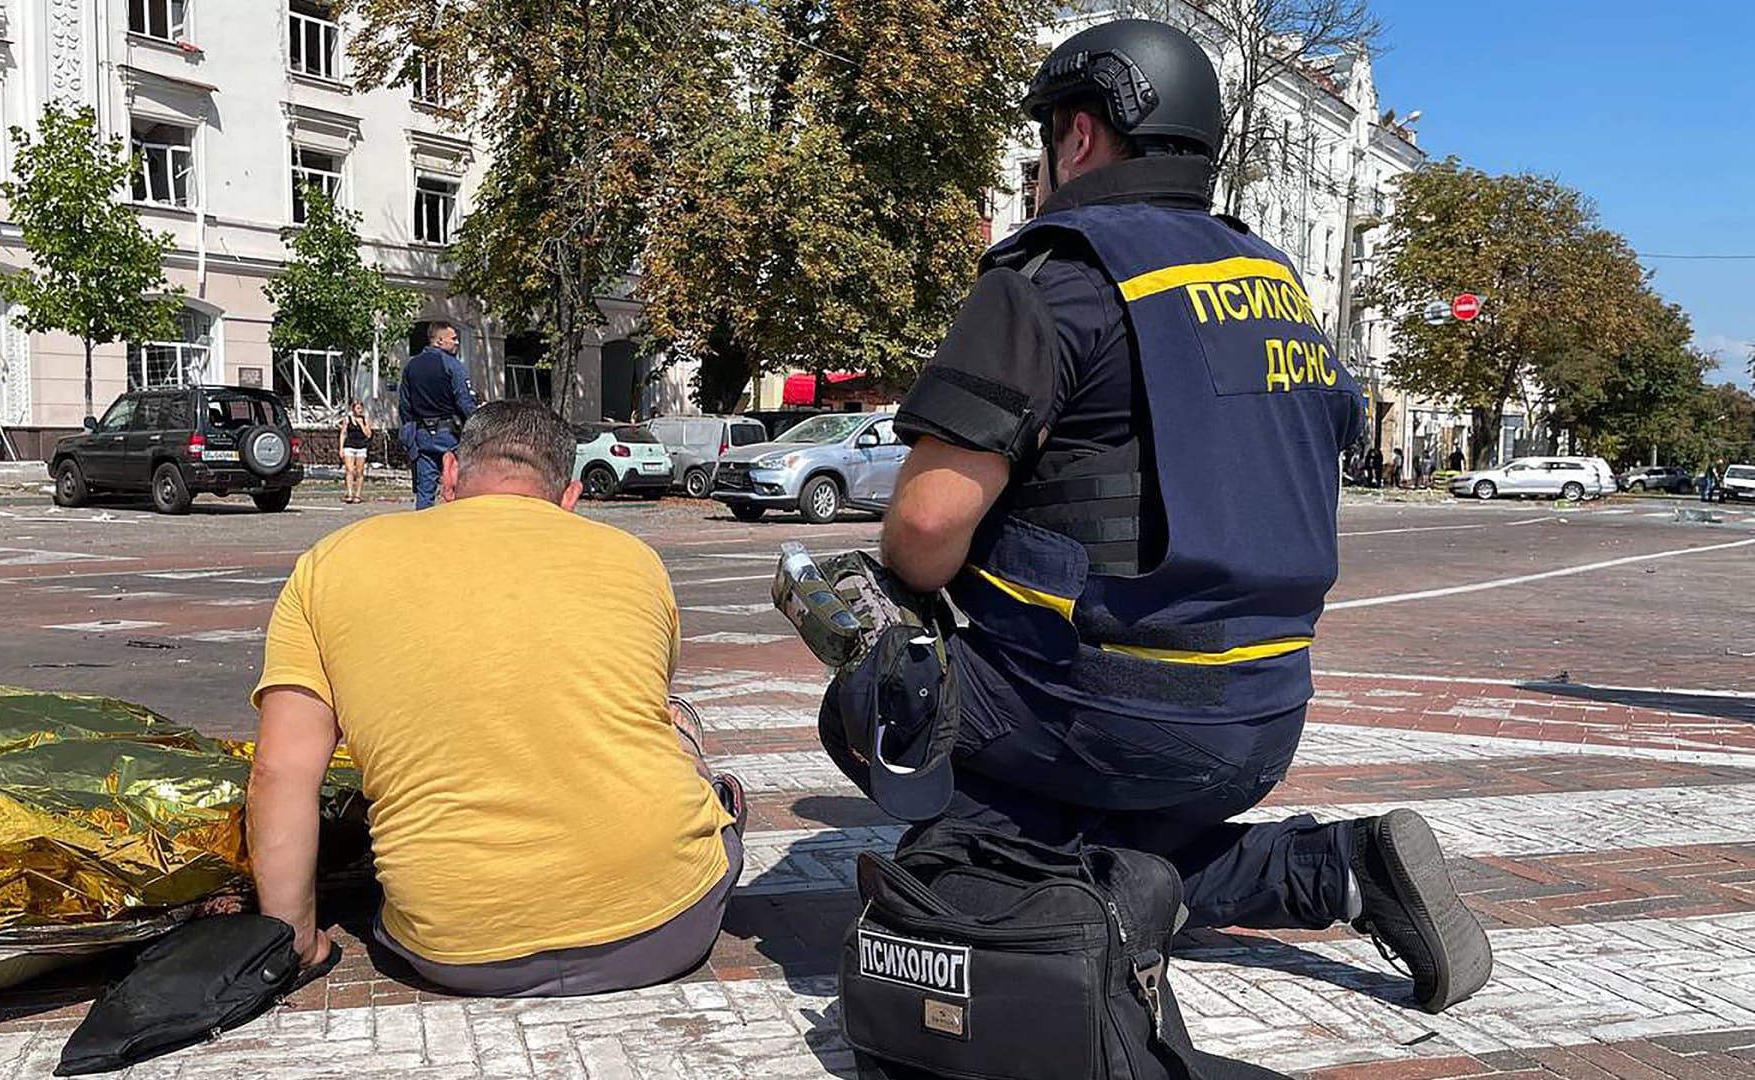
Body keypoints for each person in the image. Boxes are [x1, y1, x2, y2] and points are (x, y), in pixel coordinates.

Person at [818, 19, 1491, 1014]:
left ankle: (1057, 881)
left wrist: (907, 611)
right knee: (1081, 802)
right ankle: (1346, 869)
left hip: (1118, 708)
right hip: (1266, 709)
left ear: (1081, 134)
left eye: (1046, 140)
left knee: (871, 696)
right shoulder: (1274, 282)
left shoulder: (1055, 277)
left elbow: (922, 528)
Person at [247, 399, 744, 996]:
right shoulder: (634, 560)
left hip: (454, 946)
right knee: (674, 724)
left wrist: (296, 939)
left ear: (451, 474)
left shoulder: (329, 564)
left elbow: (281, 770)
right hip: (669, 927)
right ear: (570, 498)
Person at [398, 322, 480, 510]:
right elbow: (464, 402)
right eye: (453, 338)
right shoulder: (452, 365)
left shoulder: (411, 366)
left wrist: (409, 432)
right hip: (450, 435)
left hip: (422, 435)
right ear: (440, 340)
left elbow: (404, 405)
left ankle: (423, 530)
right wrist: (478, 426)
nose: (457, 342)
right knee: (458, 484)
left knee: (425, 491)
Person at [338, 401, 372, 504]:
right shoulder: (347, 419)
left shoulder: (365, 420)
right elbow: (343, 433)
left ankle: (358, 494)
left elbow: (368, 434)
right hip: (349, 446)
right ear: (353, 409)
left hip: (361, 447)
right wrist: (341, 448)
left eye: (361, 408)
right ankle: (349, 493)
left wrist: (362, 425)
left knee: (359, 471)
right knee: (349, 469)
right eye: (357, 408)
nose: (360, 410)